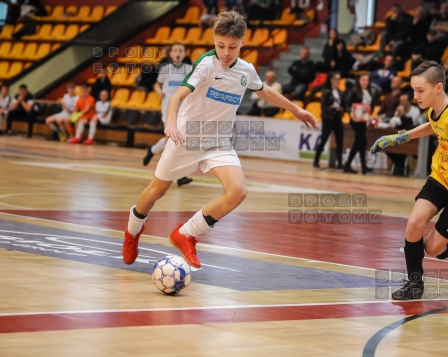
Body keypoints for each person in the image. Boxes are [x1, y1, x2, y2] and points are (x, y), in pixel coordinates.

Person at [122, 11, 318, 269]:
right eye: (220, 46)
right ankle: (132, 231)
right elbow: (177, 96)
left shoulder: (246, 70)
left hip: (218, 142)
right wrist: (170, 123)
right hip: (187, 138)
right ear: (214, 40)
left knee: (238, 191)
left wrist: (296, 109)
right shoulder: (205, 65)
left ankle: (186, 233)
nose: (226, 52)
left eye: (232, 47)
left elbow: (264, 90)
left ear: (243, 42)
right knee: (154, 192)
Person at [371, 60, 448, 300]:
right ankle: (415, 285)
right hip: (440, 177)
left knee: (433, 249)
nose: (415, 96)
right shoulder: (436, 108)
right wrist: (400, 137)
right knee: (414, 224)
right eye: (414, 90)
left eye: (420, 90)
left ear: (438, 87)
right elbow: (434, 126)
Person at [143, 43, 194, 187]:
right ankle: (180, 176)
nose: (178, 53)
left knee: (175, 139)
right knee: (173, 138)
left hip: (184, 108)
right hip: (168, 107)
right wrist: (159, 92)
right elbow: (156, 84)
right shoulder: (165, 69)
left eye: (181, 50)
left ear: (184, 54)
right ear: (171, 54)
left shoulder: (190, 70)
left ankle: (152, 150)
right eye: (175, 50)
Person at [344, 73, 375, 174]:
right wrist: (352, 112)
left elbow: (372, 106)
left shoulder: (370, 92)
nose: (365, 82)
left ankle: (348, 165)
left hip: (364, 120)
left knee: (359, 142)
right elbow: (347, 105)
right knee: (362, 140)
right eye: (363, 80)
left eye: (367, 80)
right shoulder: (354, 91)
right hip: (356, 120)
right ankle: (363, 166)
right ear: (359, 81)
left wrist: (368, 113)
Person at [313, 71, 345, 169]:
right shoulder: (326, 91)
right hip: (328, 118)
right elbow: (323, 106)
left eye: (339, 79)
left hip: (337, 118)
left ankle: (339, 162)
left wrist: (341, 110)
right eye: (336, 78)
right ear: (331, 80)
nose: (338, 81)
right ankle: (316, 161)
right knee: (324, 139)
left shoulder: (340, 92)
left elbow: (343, 105)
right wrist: (332, 109)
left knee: (340, 140)